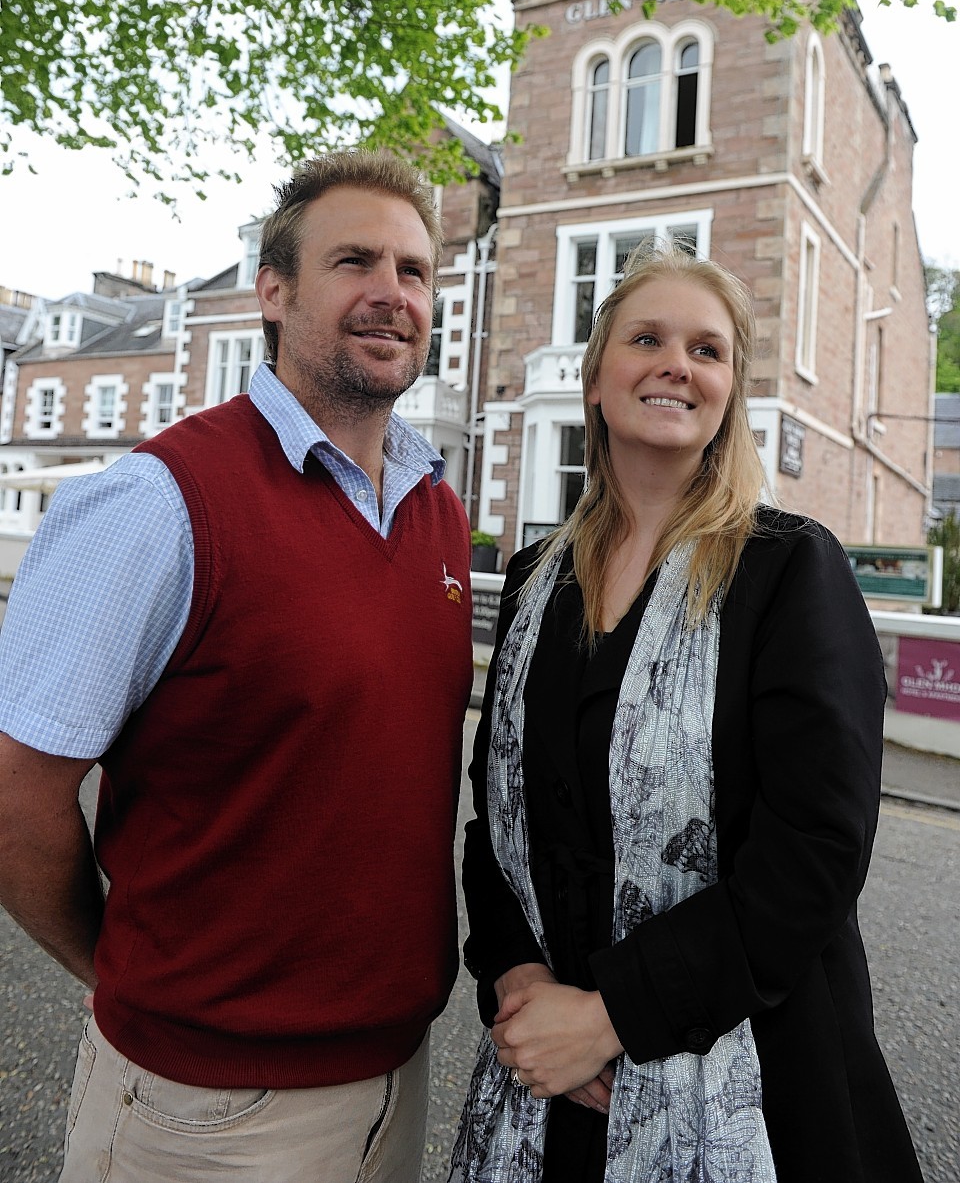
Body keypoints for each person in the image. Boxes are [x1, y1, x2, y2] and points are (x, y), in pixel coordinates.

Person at [0, 149, 474, 1183]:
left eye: (416, 270)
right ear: (274, 288)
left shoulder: (437, 508)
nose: (392, 293)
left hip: (395, 1073)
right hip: (202, 1109)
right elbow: (16, 796)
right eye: (355, 260)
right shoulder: (158, 501)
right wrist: (123, 968)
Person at [451, 243, 923, 1183]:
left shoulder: (789, 572)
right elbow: (498, 824)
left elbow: (815, 853)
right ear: (595, 377)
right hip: (549, 1089)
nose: (678, 363)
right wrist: (520, 984)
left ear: (729, 393)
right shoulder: (536, 579)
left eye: (708, 350)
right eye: (647, 338)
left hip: (752, 1092)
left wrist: (610, 1017)